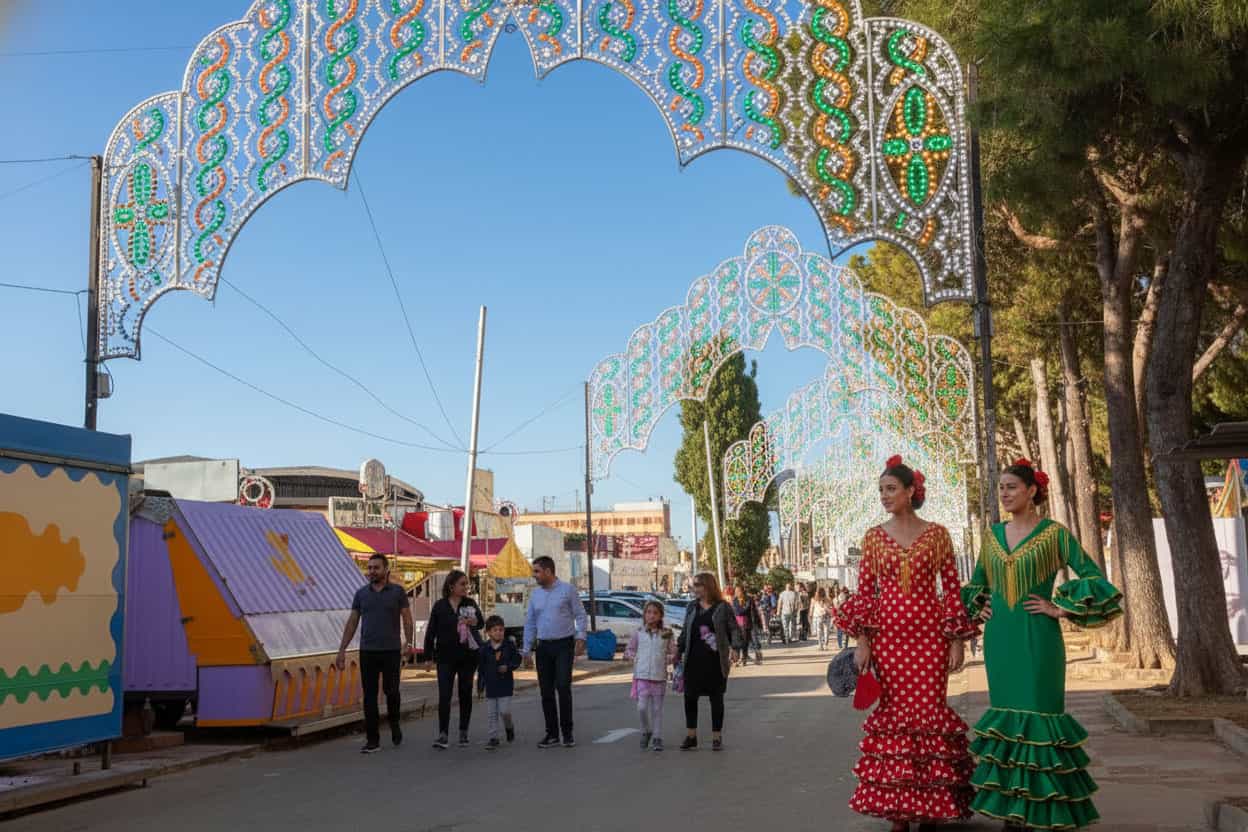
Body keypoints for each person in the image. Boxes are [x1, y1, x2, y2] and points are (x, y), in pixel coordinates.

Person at [961, 459, 1122, 829]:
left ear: (1032, 491)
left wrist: (1059, 607)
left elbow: (1093, 576)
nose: (1004, 493)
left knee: (1040, 722)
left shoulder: (1055, 534)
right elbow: (976, 584)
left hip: (1039, 639)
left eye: (1011, 487)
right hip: (1001, 638)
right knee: (1008, 724)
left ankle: (1045, 811)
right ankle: (1013, 815)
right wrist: (981, 606)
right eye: (1001, 487)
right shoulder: (992, 536)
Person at [835, 455, 978, 830]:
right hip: (888, 639)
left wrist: (956, 641)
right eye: (881, 490)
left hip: (931, 637)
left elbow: (951, 590)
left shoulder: (938, 534)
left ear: (910, 491)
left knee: (930, 712)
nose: (884, 496)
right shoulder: (873, 538)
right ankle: (900, 811)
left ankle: (931, 803)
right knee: (895, 714)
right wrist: (863, 641)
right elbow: (865, 593)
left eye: (891, 489)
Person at [336, 553, 415, 754]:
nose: (371, 571)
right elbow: (352, 622)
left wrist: (409, 642)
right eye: (369, 568)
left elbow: (406, 618)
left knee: (392, 692)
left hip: (391, 651)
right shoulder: (361, 594)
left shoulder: (397, 592)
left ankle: (394, 723)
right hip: (368, 651)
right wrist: (342, 649)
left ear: (385, 570)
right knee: (369, 696)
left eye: (376, 568)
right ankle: (373, 740)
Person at [522, 556, 588, 749]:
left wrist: (581, 637)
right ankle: (551, 734)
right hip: (543, 647)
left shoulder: (568, 590)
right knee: (546, 691)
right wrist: (526, 649)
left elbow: (580, 615)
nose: (534, 575)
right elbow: (530, 623)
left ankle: (567, 733)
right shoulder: (535, 595)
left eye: (537, 571)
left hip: (563, 645)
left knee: (563, 686)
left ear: (549, 571)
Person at [676, 572, 742, 751]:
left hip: (715, 661)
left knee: (716, 698)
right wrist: (677, 650)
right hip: (693, 660)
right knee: (689, 697)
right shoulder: (691, 607)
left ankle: (716, 737)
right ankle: (691, 736)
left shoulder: (723, 607)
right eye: (694, 585)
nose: (695, 589)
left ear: (708, 586)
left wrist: (735, 648)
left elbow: (734, 629)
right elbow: (685, 632)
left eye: (698, 585)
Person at [421, 570, 484, 749]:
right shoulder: (440, 606)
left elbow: (481, 623)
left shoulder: (470, 603)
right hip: (445, 657)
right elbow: (431, 632)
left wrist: (473, 622)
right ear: (451, 586)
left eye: (467, 584)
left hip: (467, 656)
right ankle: (443, 734)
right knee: (444, 695)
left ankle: (463, 731)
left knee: (465, 693)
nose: (466, 587)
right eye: (462, 584)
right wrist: (428, 656)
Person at [624, 600, 677, 752]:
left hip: (659, 676)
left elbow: (673, 652)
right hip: (641, 676)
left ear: (661, 616)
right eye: (648, 612)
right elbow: (629, 650)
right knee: (641, 707)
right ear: (644, 615)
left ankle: (657, 737)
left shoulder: (666, 633)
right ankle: (646, 730)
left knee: (657, 709)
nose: (651, 615)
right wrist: (634, 657)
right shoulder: (638, 632)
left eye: (655, 613)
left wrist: (671, 657)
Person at [477, 614, 521, 751]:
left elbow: (517, 660)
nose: (498, 632)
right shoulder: (484, 649)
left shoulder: (509, 646)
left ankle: (509, 727)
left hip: (505, 685)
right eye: (495, 630)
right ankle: (493, 737)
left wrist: (508, 667)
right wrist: (480, 686)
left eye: (501, 630)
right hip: (491, 686)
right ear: (488, 632)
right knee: (492, 714)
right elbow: (481, 669)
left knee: (504, 711)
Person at [731, 586, 764, 666]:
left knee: (752, 641)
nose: (737, 593)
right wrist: (746, 607)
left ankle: (752, 658)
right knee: (741, 642)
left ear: (743, 591)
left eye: (739, 591)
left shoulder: (749, 599)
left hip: (750, 623)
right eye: (736, 591)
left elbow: (754, 611)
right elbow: (738, 612)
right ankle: (738, 659)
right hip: (739, 625)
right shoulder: (735, 601)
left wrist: (759, 622)